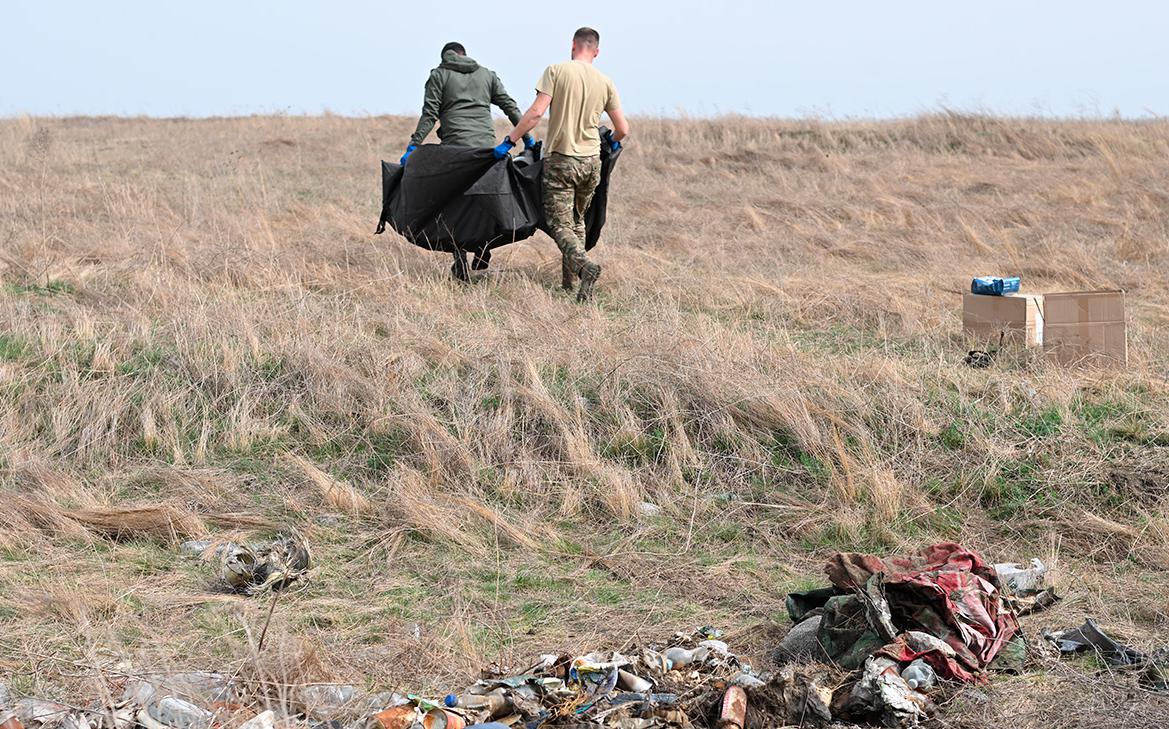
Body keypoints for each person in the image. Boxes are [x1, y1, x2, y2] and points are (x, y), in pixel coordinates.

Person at [498, 27, 629, 302]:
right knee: (578, 221)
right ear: (597, 51)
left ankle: (584, 267)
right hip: (591, 162)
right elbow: (622, 129)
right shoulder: (605, 81)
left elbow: (536, 113)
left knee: (559, 225)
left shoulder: (555, 71)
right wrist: (613, 143)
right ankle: (570, 285)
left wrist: (510, 140)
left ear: (573, 45)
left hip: (561, 159)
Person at [402, 42, 533, 281]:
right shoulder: (487, 75)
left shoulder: (439, 75)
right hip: (487, 152)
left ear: (446, 56)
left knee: (452, 206)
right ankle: (484, 246)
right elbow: (510, 106)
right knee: (485, 202)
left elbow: (430, 114)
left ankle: (460, 260)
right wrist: (528, 137)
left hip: (455, 152)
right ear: (465, 55)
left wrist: (413, 145)